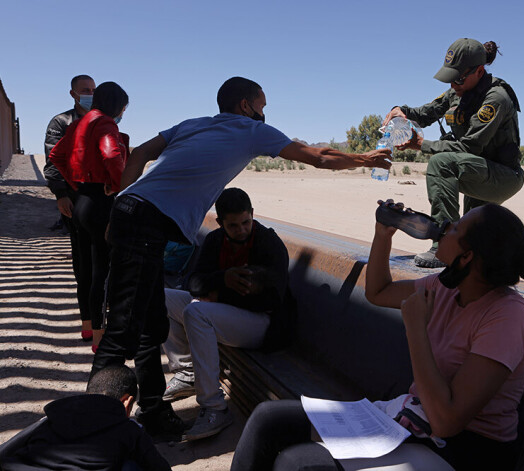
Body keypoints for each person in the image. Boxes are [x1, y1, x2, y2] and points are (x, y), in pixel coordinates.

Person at [90, 76, 391, 438]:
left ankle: (153, 413)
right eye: (262, 105)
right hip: (145, 222)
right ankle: (93, 428)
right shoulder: (250, 129)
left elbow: (139, 153)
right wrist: (364, 158)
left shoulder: (193, 124)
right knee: (124, 328)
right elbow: (320, 157)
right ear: (246, 106)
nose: (264, 112)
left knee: (151, 321)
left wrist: (120, 203)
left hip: (135, 213)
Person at [230, 202, 524, 471]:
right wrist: (383, 234)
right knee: (268, 419)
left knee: (299, 463)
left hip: (464, 450)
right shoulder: (447, 287)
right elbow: (378, 292)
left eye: (454, 229)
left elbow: (448, 422)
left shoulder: (508, 317)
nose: (443, 228)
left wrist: (415, 329)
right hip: (415, 417)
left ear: (467, 257)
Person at [162, 187, 294, 441]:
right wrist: (223, 278)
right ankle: (188, 372)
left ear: (253, 214)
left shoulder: (269, 243)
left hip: (264, 324)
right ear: (221, 223)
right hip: (225, 313)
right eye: (233, 226)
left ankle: (214, 407)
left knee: (196, 312)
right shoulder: (214, 241)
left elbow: (273, 299)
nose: (242, 230)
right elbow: (194, 283)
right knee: (163, 297)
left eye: (246, 222)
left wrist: (221, 295)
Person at [384, 38, 524, 268]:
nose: (453, 85)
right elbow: (426, 113)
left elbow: (469, 147)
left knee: (441, 163)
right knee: (475, 240)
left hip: (503, 176)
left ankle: (443, 244)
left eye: (458, 79)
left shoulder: (496, 98)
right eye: (450, 79)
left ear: (480, 71)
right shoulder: (456, 93)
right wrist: (401, 111)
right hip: (476, 170)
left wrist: (420, 144)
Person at [49, 82, 130, 351]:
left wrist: (74, 183)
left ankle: (87, 327)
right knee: (100, 271)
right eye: (123, 109)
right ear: (116, 105)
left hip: (81, 199)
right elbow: (112, 154)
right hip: (99, 203)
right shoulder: (106, 123)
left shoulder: (78, 123)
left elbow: (56, 154)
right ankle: (99, 338)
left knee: (84, 268)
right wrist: (118, 184)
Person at [0, 365, 171, 470]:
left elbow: (4, 451)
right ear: (127, 402)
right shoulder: (129, 429)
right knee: (131, 465)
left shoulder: (52, 418)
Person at [43, 74, 96, 341]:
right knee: (83, 263)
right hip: (75, 202)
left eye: (93, 90)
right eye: (85, 90)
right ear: (73, 94)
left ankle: (99, 319)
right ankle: (88, 321)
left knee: (102, 263)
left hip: (100, 202)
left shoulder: (102, 119)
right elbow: (52, 161)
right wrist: (61, 195)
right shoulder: (61, 122)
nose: (90, 93)